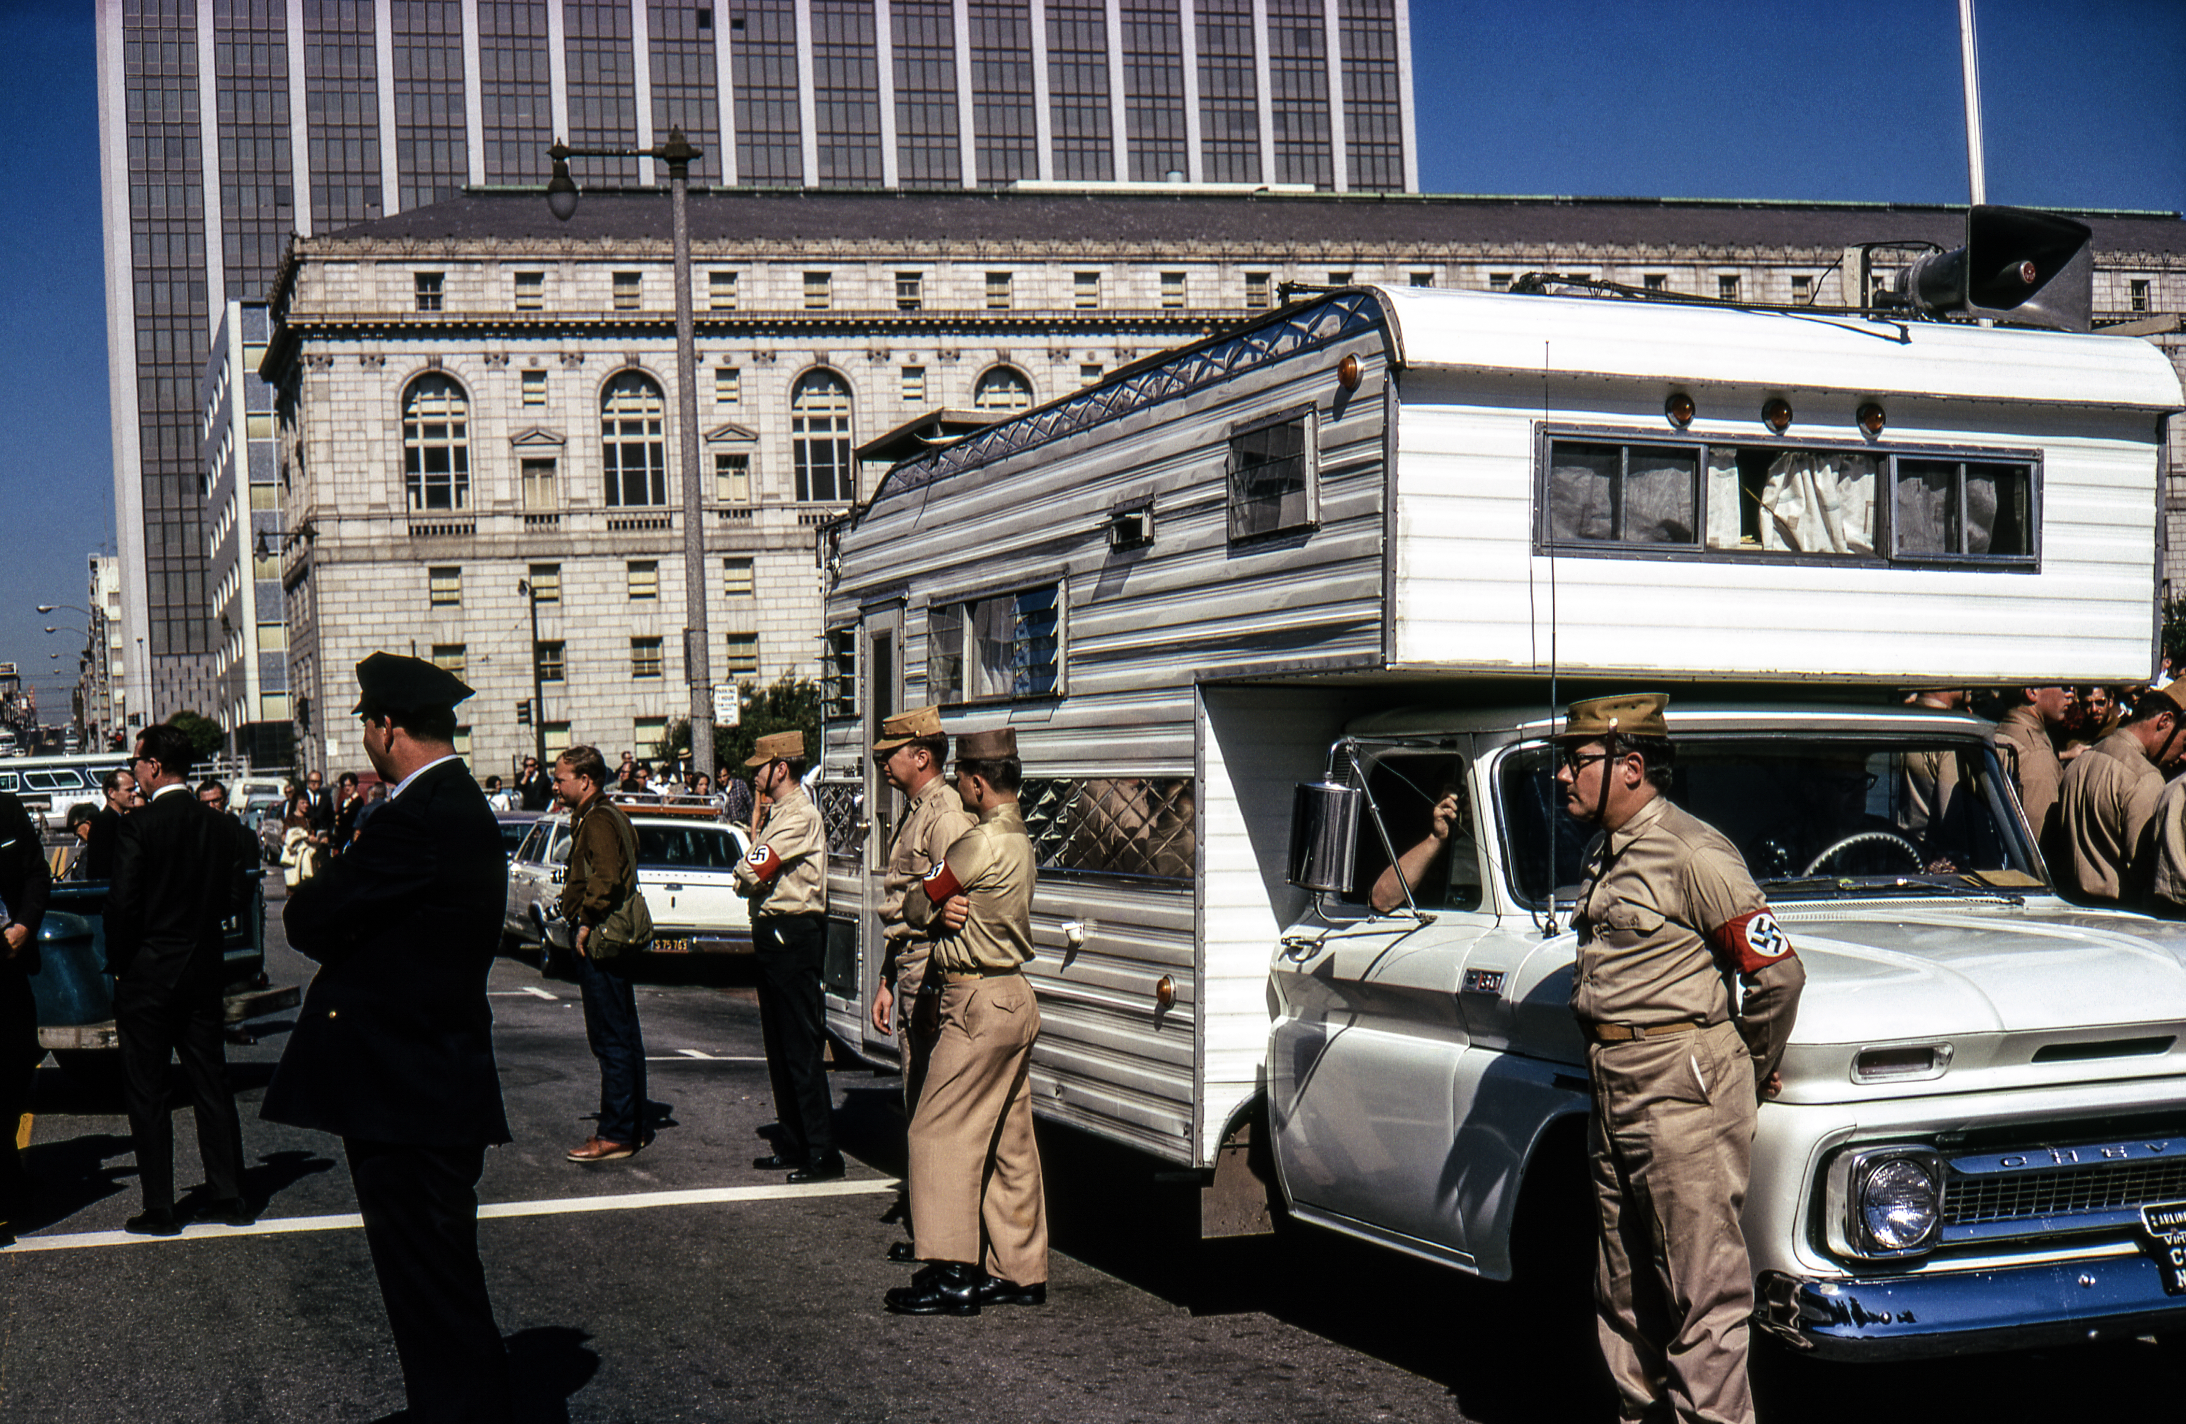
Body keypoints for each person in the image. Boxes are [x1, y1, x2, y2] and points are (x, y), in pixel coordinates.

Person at [262, 651, 514, 1424]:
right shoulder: (454, 804)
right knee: (438, 1284)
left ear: (387, 727)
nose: (367, 737)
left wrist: (324, 874)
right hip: (429, 1082)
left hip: (409, 1091)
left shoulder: (415, 817)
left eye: (367, 723)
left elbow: (311, 917)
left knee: (430, 1292)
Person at [1554, 694, 1803, 1424]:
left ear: (1630, 766)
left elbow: (1778, 974)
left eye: (1577, 761)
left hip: (1681, 1088)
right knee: (1623, 1286)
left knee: (1704, 1292)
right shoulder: (1606, 848)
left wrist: (1745, 1067)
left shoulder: (1694, 853)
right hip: (1615, 1084)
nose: (1562, 777)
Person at [884, 727, 1048, 1315]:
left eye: (962, 779)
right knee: (1009, 1139)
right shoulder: (1022, 839)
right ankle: (1019, 1271)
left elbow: (916, 901)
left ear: (978, 782)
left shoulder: (978, 843)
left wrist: (933, 907)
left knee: (935, 1130)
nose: (958, 786)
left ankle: (953, 1273)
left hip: (975, 999)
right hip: (1015, 997)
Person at [104, 722, 256, 1236]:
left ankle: (161, 1206)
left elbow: (122, 905)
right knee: (211, 1081)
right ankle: (229, 1193)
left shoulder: (137, 826)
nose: (136, 773)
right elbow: (238, 898)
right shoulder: (221, 826)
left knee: (148, 1090)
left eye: (138, 763)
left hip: (148, 970)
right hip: (202, 965)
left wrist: (123, 962)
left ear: (153, 766)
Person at [867, 707, 975, 1261]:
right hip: (909, 963)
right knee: (917, 1094)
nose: (883, 760)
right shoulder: (918, 811)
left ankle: (940, 1236)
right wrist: (889, 976)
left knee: (934, 1104)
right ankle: (929, 1223)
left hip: (931, 967)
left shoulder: (946, 815)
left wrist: (927, 981)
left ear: (922, 756)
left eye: (892, 752)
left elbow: (952, 903)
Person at [733, 730, 837, 1182]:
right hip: (774, 933)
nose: (753, 773)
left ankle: (821, 1152)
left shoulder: (799, 815)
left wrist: (744, 873)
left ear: (781, 767)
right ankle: (795, 1142)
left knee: (799, 1047)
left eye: (760, 765)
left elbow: (749, 872)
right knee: (779, 1046)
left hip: (791, 933)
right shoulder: (778, 813)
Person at [553, 745, 654, 1163]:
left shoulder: (596, 819)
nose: (556, 786)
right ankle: (632, 1125)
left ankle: (615, 1133)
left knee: (610, 1038)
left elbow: (607, 877)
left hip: (601, 940)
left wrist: (585, 920)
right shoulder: (609, 814)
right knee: (624, 1036)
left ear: (586, 781)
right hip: (614, 938)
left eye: (561, 779)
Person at [2056, 687, 2186, 906]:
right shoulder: (2143, 777)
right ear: (2165, 721)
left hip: (2071, 905)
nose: (2181, 755)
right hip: (2122, 914)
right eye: (2183, 743)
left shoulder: (2080, 762)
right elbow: (2146, 870)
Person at [0, 788, 52, 1245]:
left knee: (16, 1065)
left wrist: (24, 923)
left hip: (6, 962)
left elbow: (37, 873)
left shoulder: (7, 809)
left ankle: (8, 1171)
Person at [1993, 686, 2071, 856]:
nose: (2070, 693)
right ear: (2032, 691)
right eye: (2063, 686)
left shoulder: (1997, 734)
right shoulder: (2035, 754)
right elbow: (2040, 846)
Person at [81, 765, 138, 880]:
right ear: (111, 793)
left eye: (134, 789)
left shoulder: (116, 820)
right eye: (129, 790)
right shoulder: (104, 823)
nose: (134, 794)